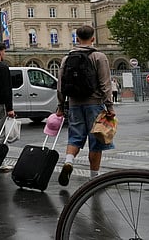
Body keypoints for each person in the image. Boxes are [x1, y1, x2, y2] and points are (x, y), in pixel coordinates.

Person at [56, 25, 115, 186]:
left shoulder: (66, 58)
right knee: (96, 141)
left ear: (77, 38)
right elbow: (105, 84)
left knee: (75, 137)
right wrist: (109, 107)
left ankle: (69, 161)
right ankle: (94, 177)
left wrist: (61, 106)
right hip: (94, 104)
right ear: (93, 38)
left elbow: (60, 85)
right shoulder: (99, 56)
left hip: (74, 104)